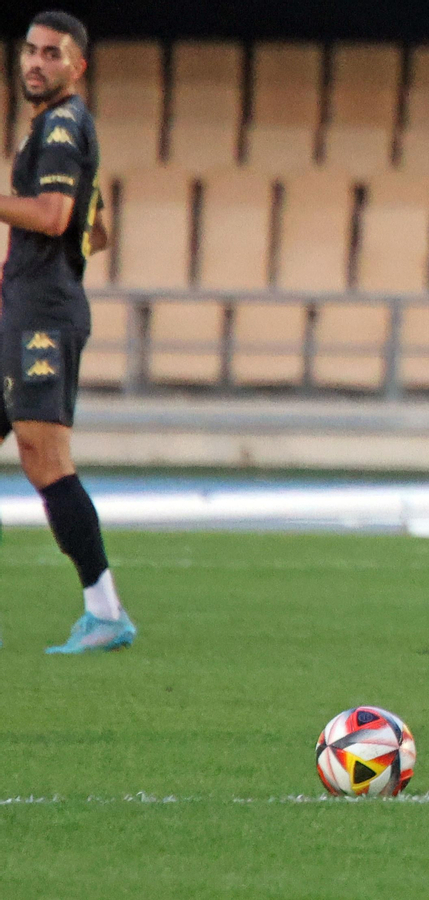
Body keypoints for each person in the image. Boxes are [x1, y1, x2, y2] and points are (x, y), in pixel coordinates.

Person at [0, 10, 135, 654]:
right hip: (27, 305)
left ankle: (105, 611)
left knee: (45, 458)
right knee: (36, 455)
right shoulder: (67, 128)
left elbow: (55, 217)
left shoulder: (59, 126)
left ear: (76, 66)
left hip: (42, 316)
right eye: (30, 50)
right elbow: (96, 229)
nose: (35, 61)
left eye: (52, 54)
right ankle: (103, 611)